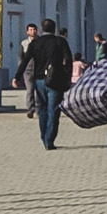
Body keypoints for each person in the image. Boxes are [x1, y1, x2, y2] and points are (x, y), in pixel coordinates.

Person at [23, 18, 73, 149]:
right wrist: (68, 77)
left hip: (39, 80)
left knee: (42, 109)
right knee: (54, 110)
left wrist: (17, 76)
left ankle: (43, 135)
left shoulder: (35, 43)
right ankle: (49, 139)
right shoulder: (60, 41)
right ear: (55, 29)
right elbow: (68, 60)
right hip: (56, 80)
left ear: (41, 29)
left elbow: (26, 59)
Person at [12, 22, 41, 117]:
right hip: (28, 71)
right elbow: (21, 57)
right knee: (30, 89)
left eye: (34, 29)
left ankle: (38, 109)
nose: (33, 31)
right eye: (31, 30)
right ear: (27, 31)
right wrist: (20, 70)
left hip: (39, 69)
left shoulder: (40, 42)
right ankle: (30, 108)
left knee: (39, 90)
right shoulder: (24, 43)